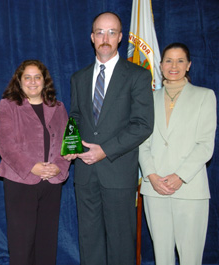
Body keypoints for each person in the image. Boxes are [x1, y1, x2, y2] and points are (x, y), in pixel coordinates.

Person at [64, 12, 154, 265]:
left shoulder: (137, 75)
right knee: (89, 239)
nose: (105, 38)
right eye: (100, 32)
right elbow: (76, 117)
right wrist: (72, 144)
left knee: (121, 240)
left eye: (112, 32)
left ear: (120, 38)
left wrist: (104, 150)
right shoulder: (78, 78)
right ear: (92, 37)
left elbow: (143, 125)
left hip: (118, 170)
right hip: (84, 171)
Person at [139, 42, 217, 265]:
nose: (174, 66)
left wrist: (179, 176)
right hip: (155, 188)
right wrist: (152, 176)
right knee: (162, 257)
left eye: (180, 60)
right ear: (161, 65)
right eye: (169, 61)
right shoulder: (147, 99)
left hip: (189, 188)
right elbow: (141, 143)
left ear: (189, 65)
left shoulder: (205, 96)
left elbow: (205, 145)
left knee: (190, 258)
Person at [0, 59, 70, 265]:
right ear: (19, 81)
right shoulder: (8, 106)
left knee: (47, 241)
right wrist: (33, 167)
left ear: (44, 81)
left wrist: (58, 167)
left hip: (52, 182)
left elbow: (67, 143)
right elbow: (5, 144)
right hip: (21, 182)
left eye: (37, 77)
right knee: (22, 243)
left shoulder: (58, 107)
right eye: (27, 77)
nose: (33, 81)